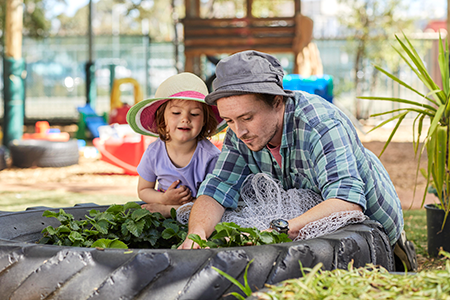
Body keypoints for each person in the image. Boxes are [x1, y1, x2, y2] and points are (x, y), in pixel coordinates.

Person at [178, 51, 417, 271]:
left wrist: (279, 229)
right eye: (229, 120)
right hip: (309, 213)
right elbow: (218, 188)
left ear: (277, 102)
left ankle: (401, 252)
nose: (239, 131)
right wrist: (196, 234)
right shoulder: (238, 132)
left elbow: (347, 203)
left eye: (247, 117)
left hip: (370, 225)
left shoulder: (321, 125)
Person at [126, 72, 227, 217]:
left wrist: (169, 209)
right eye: (176, 112)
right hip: (163, 223)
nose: (185, 119)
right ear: (162, 118)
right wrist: (164, 198)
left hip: (199, 219)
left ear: (205, 120)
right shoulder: (154, 152)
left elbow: (213, 203)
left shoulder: (211, 157)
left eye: (194, 114)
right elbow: (143, 190)